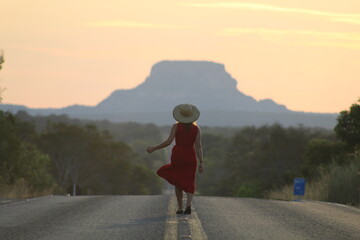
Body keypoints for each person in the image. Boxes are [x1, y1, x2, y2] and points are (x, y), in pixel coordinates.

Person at [147, 104, 203, 214]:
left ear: (180, 115)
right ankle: (189, 204)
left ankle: (180, 207)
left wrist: (154, 148)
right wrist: (201, 161)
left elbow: (168, 142)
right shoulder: (196, 129)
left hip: (178, 155)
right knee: (190, 180)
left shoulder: (176, 127)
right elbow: (198, 146)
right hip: (190, 155)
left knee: (178, 180)